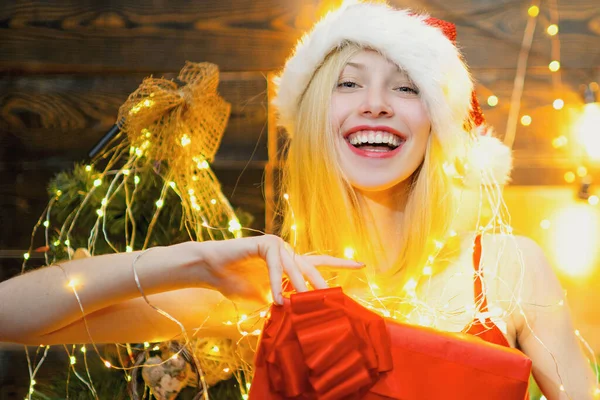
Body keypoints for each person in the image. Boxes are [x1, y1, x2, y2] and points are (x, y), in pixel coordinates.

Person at [0, 1, 596, 398]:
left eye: (406, 86)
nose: (376, 104)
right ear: (315, 119)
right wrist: (199, 262)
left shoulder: (510, 269)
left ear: (438, 123)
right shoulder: (267, 284)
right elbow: (11, 315)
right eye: (350, 82)